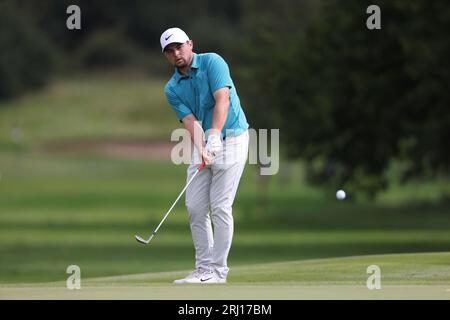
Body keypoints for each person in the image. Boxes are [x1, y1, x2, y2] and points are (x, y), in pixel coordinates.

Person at [160, 27, 249, 284]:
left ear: (190, 43)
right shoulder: (172, 88)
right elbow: (189, 122)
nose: (176, 53)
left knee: (220, 205)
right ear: (166, 55)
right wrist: (203, 147)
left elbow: (222, 100)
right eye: (169, 51)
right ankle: (204, 270)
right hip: (205, 142)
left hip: (232, 137)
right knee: (196, 206)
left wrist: (214, 137)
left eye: (179, 46)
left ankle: (218, 272)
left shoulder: (213, 61)